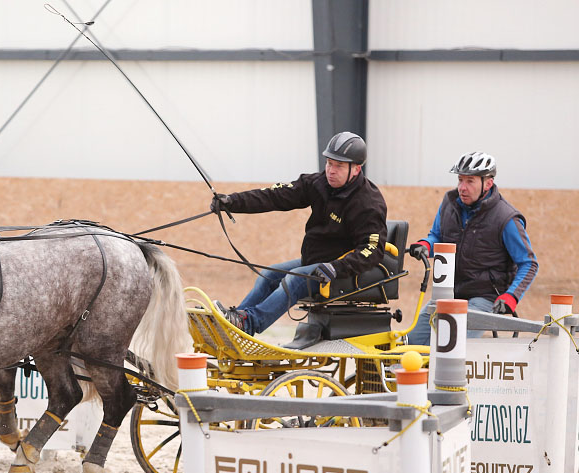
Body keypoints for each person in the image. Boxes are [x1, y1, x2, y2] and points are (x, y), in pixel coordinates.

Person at [211, 132, 388, 336]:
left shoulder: (368, 203)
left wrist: (336, 267)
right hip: (313, 262)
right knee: (270, 274)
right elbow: (274, 196)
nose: (330, 170)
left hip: (339, 273)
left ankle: (249, 323)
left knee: (294, 281)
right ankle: (234, 323)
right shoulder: (318, 183)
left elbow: (372, 250)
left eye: (338, 166)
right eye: (329, 163)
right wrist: (232, 202)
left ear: (356, 169)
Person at [406, 152, 538, 345]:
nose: (462, 188)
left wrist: (511, 297)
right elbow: (437, 237)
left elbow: (529, 264)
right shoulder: (449, 203)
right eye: (460, 180)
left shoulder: (506, 219)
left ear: (488, 183)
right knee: (411, 344)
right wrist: (425, 245)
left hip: (484, 297)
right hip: (448, 294)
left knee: (451, 346)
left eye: (470, 181)